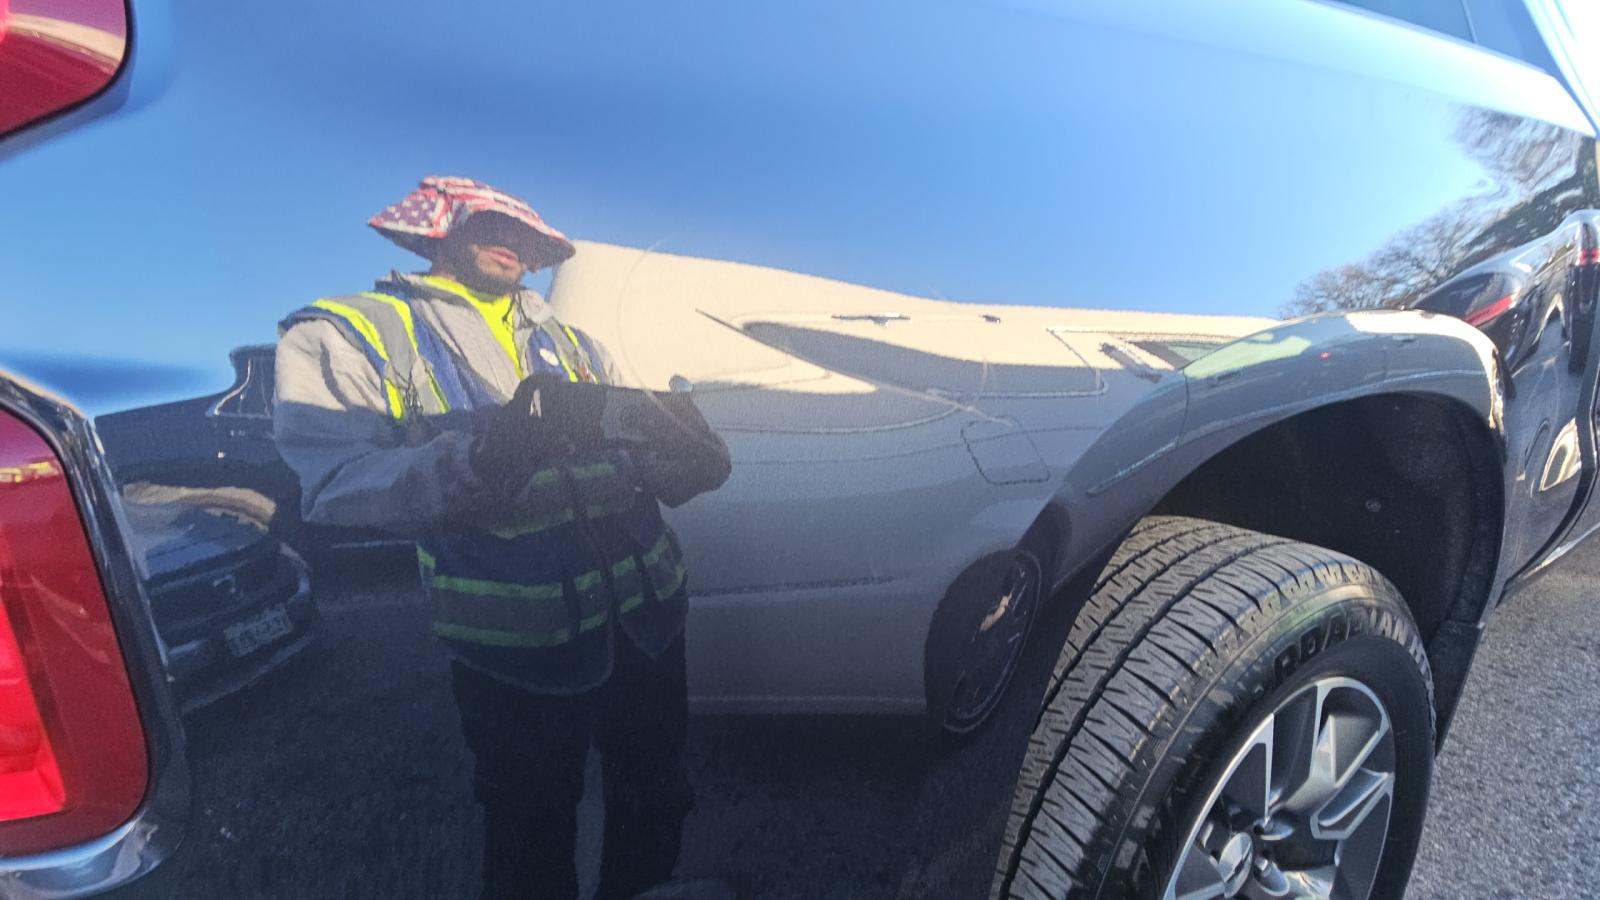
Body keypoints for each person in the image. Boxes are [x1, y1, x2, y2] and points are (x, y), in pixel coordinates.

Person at [272, 175, 730, 899]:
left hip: (647, 623)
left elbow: (629, 465)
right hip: (516, 650)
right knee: (529, 829)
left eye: (522, 232)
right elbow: (334, 484)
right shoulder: (350, 331)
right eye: (487, 223)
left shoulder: (575, 341)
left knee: (657, 795)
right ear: (434, 228)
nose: (509, 241)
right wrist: (481, 460)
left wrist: (688, 465)